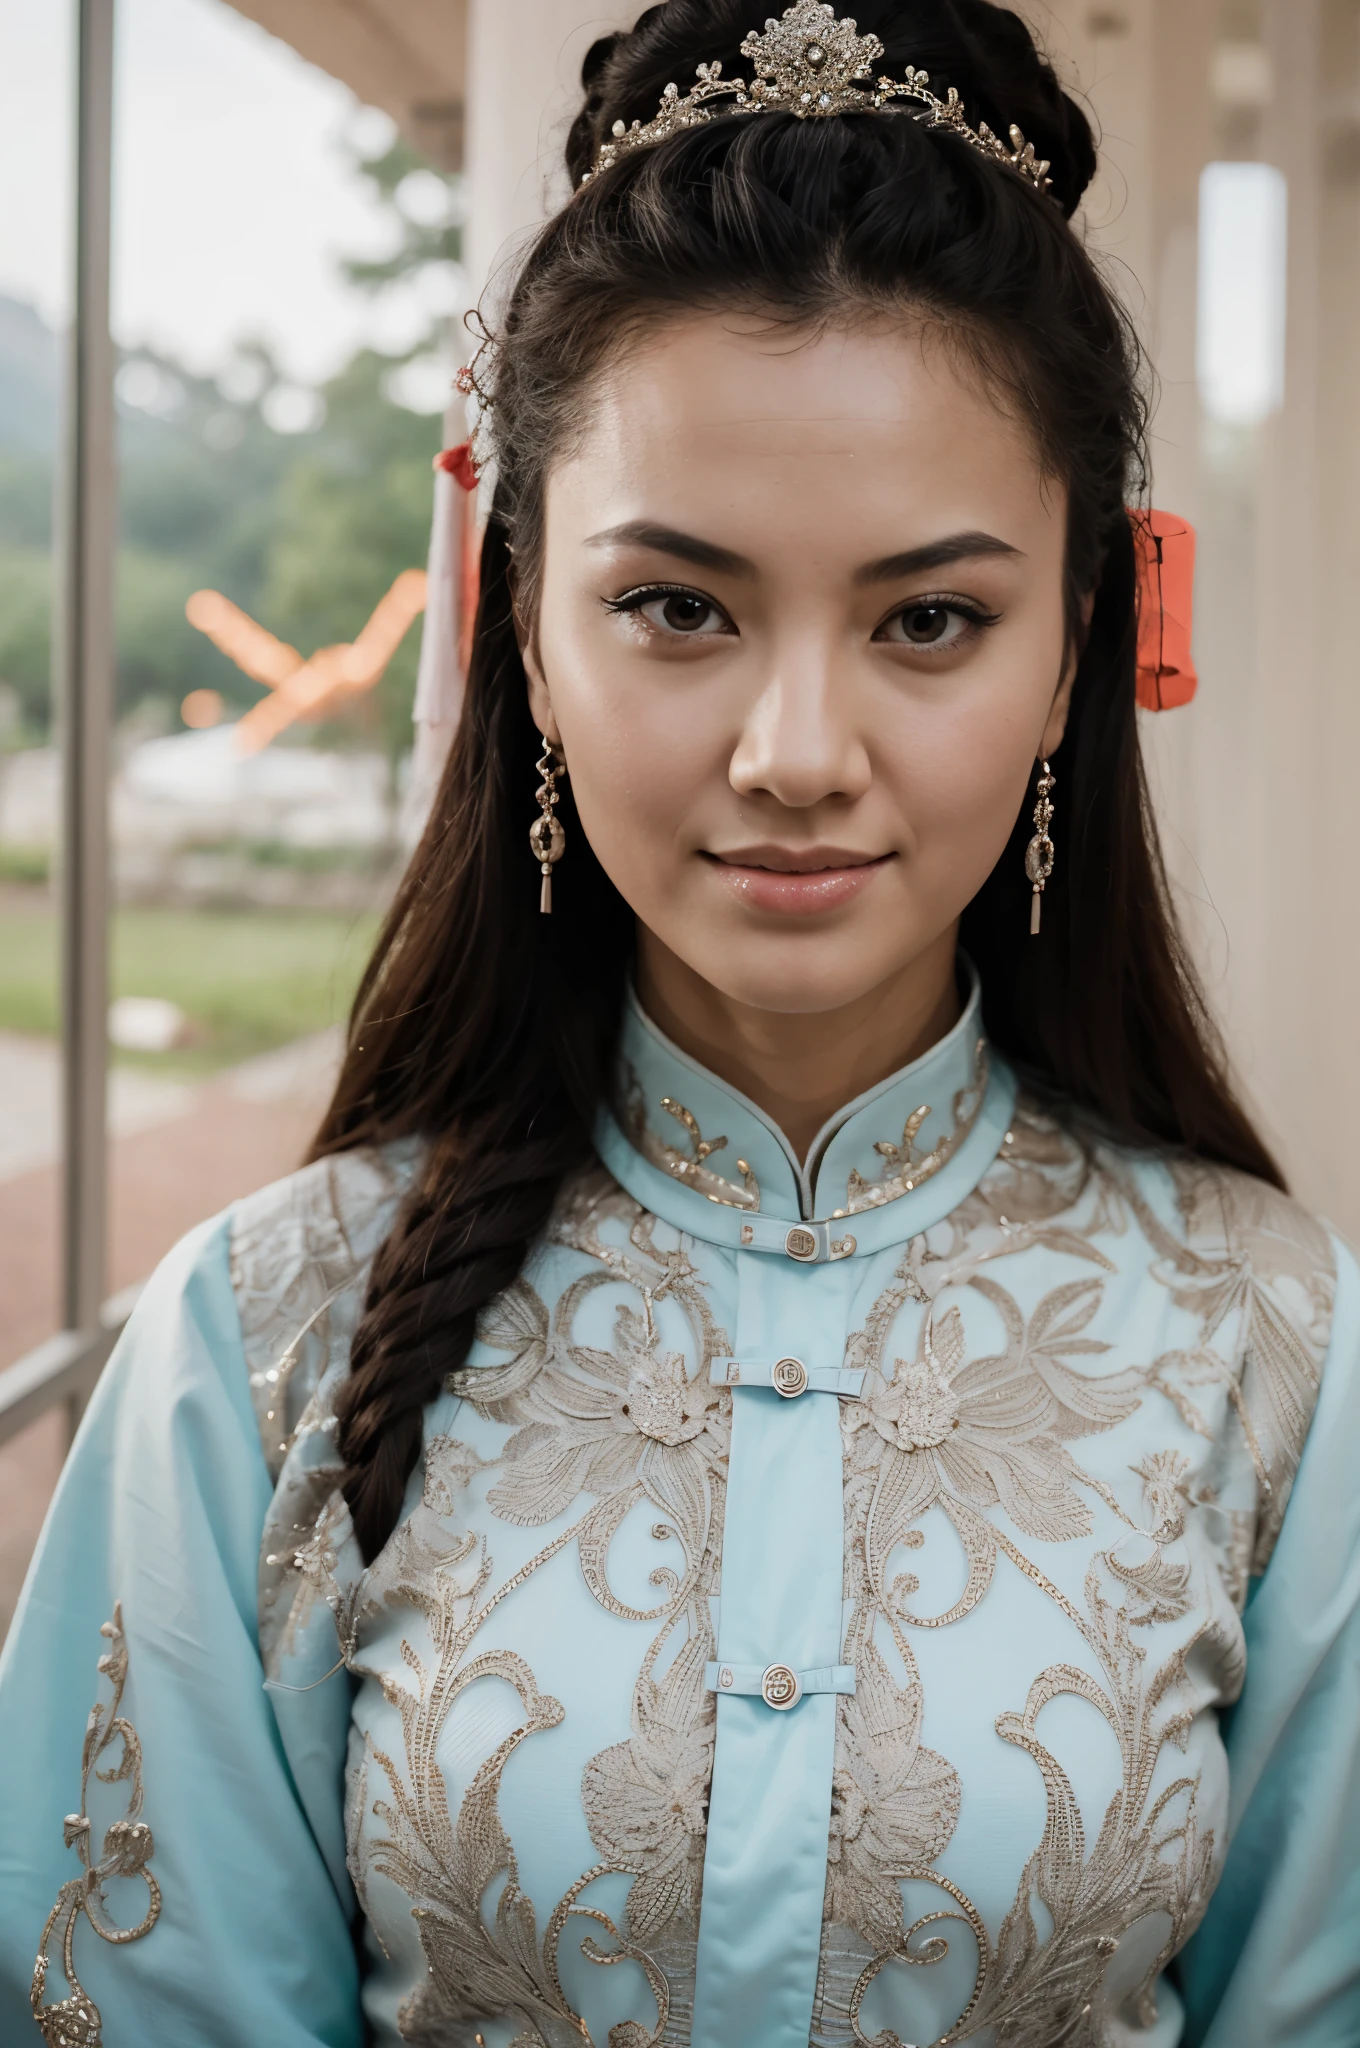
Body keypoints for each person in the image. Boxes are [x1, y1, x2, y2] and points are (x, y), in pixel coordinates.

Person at [3, 3, 1358, 2042]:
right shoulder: (259, 1347)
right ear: (526, 625)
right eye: (677, 607)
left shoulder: (1277, 1361)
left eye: (927, 618)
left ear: (1076, 641)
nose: (795, 751)